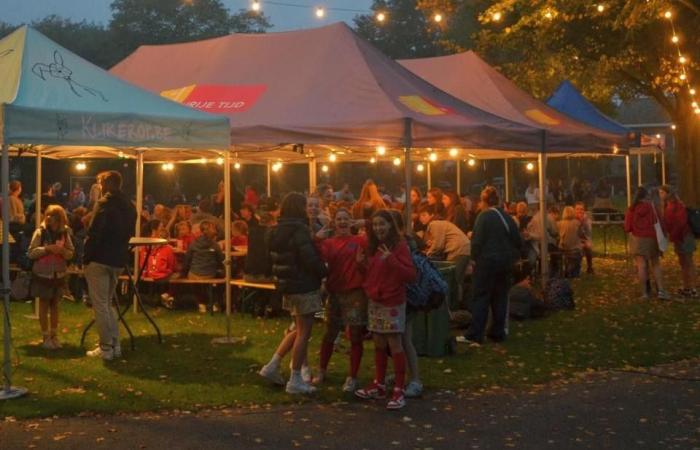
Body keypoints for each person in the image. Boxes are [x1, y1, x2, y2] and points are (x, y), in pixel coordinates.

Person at [261, 193, 328, 395]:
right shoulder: (299, 231)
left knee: (297, 329)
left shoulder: (275, 231)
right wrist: (324, 270)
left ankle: (272, 366)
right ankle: (295, 378)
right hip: (304, 285)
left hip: (287, 285)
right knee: (304, 333)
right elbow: (309, 259)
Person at [355, 210, 417, 410]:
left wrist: (391, 259)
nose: (379, 228)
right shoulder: (373, 247)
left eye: (382, 224)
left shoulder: (400, 247)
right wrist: (361, 265)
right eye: (375, 225)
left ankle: (399, 389)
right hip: (376, 300)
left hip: (392, 301)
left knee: (394, 342)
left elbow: (410, 274)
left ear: (390, 225)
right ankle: (379, 384)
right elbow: (373, 272)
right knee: (379, 341)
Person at [84, 171, 137, 360]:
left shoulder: (104, 204)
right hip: (118, 259)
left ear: (106, 183)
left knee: (100, 305)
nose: (99, 186)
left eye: (100, 183)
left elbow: (95, 232)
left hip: (99, 258)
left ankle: (106, 347)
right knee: (108, 303)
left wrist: (86, 256)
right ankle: (115, 344)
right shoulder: (130, 206)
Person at [315, 208, 368, 392]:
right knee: (330, 332)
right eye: (339, 219)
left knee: (355, 334)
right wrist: (318, 238)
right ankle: (321, 370)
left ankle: (352, 376)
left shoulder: (360, 241)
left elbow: (379, 235)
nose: (343, 222)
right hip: (335, 293)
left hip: (355, 294)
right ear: (334, 223)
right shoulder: (329, 243)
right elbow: (316, 254)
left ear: (351, 221)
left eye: (346, 219)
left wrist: (365, 222)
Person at [462, 186, 521, 344]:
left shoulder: (484, 216)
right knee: (500, 297)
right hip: (505, 262)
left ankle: (476, 333)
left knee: (481, 297)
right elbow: (517, 239)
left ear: (483, 201)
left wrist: (473, 259)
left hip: (486, 262)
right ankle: (497, 332)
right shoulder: (506, 217)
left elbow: (477, 241)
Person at [27, 205, 75, 349]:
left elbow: (71, 253)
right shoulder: (40, 232)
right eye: (47, 215)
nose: (49, 218)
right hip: (43, 274)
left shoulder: (65, 233)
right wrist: (47, 249)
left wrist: (62, 251)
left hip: (58, 274)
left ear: (60, 219)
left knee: (55, 305)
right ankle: (45, 336)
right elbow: (31, 252)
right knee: (44, 304)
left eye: (53, 216)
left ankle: (54, 336)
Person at [418, 205, 470, 308]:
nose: (421, 218)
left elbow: (438, 245)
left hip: (458, 250)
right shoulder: (440, 223)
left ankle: (453, 306)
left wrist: (427, 254)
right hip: (462, 249)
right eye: (420, 216)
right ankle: (455, 305)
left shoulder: (434, 224)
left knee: (454, 280)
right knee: (456, 279)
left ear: (432, 215)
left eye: (424, 215)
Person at [624, 187, 669, 300]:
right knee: (656, 264)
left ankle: (644, 293)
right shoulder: (652, 207)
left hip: (638, 238)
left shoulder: (632, 209)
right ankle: (661, 290)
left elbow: (627, 227)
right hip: (652, 237)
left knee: (641, 266)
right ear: (646, 196)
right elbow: (660, 221)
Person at [659, 185, 697, 297]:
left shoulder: (676, 206)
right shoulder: (669, 206)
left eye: (661, 193)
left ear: (667, 193)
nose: (660, 195)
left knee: (688, 262)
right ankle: (687, 287)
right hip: (679, 237)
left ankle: (693, 288)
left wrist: (673, 235)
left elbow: (680, 223)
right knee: (683, 263)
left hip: (684, 236)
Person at [181, 220, 224, 312]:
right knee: (222, 276)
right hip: (210, 274)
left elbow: (187, 260)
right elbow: (221, 260)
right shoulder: (215, 245)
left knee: (195, 278)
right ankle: (215, 303)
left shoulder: (194, 243)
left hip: (194, 274)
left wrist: (183, 273)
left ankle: (201, 303)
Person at [558, 206, 583, 278]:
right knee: (580, 249)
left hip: (563, 248)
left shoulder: (559, 224)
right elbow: (581, 234)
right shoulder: (577, 223)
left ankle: (568, 269)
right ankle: (574, 272)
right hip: (575, 248)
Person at [574, 202, 594, 274]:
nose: (579, 211)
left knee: (588, 247)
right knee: (579, 247)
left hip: (583, 239)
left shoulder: (587, 220)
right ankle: (576, 268)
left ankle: (590, 267)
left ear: (584, 210)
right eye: (577, 209)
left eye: (581, 209)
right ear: (574, 210)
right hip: (574, 240)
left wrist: (582, 222)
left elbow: (588, 234)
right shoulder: (572, 219)